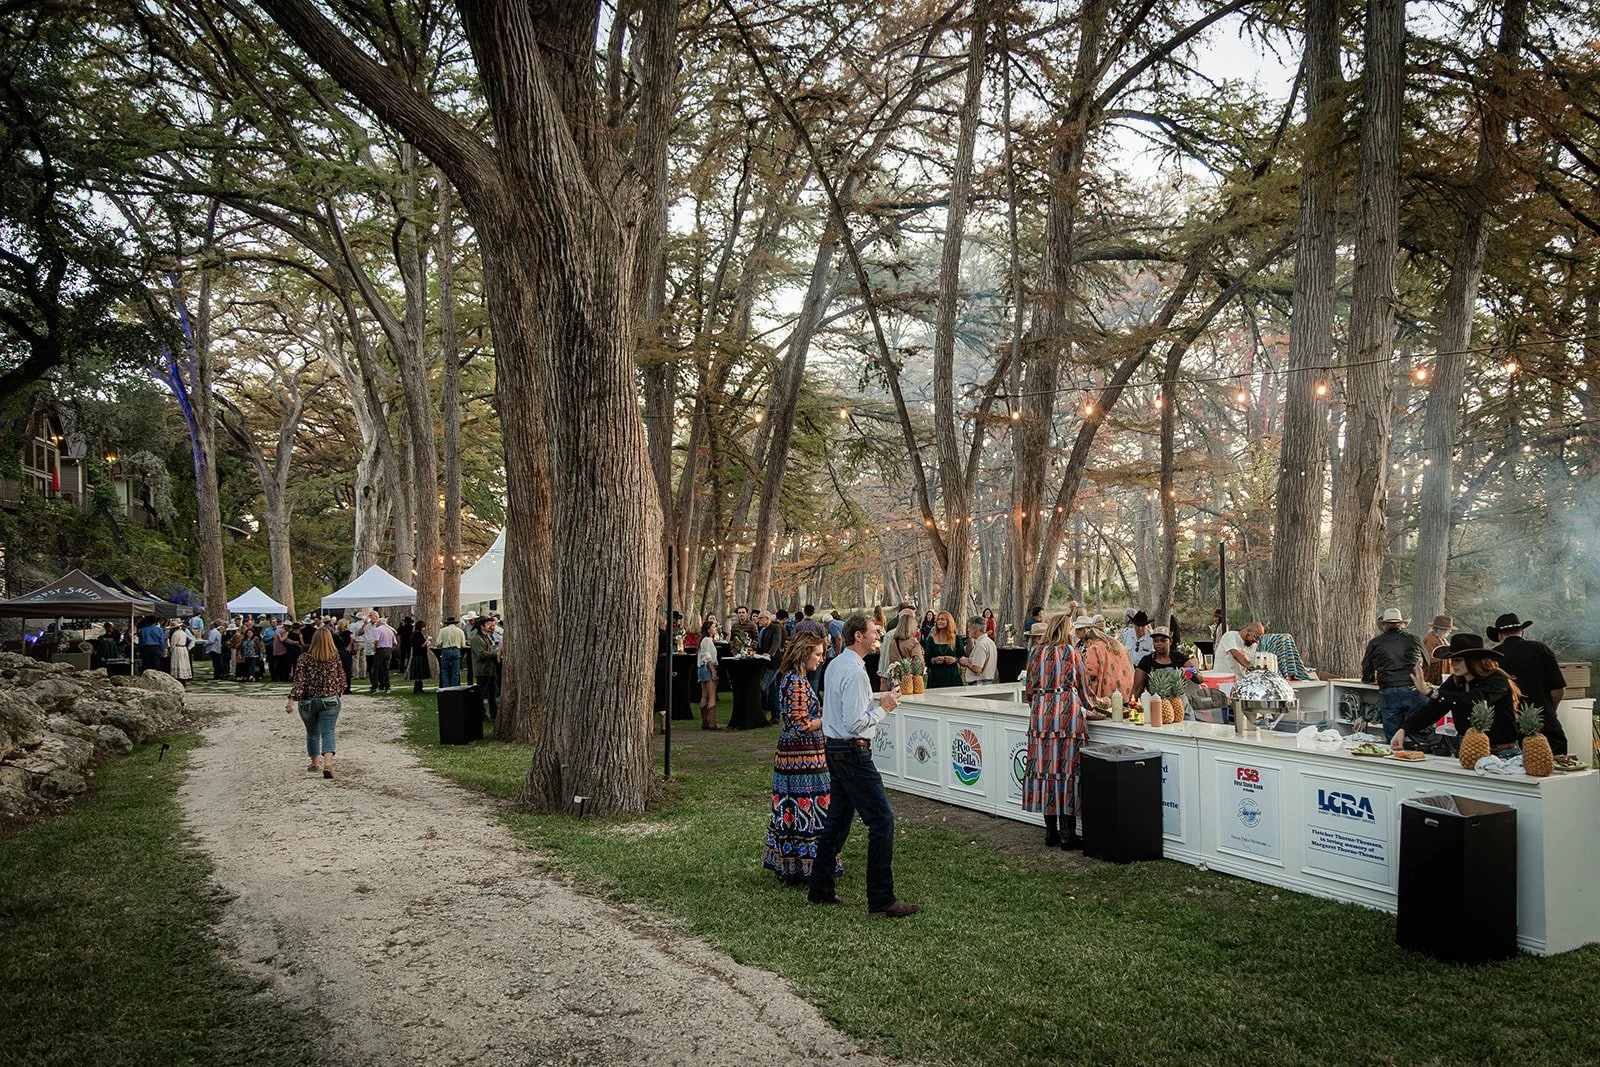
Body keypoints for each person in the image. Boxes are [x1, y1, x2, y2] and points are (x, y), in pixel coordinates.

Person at [808, 614, 917, 918]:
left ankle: (820, 888)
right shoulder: (855, 672)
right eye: (872, 632)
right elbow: (856, 723)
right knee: (882, 822)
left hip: (836, 749)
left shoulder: (836, 664)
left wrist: (879, 701)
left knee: (838, 821)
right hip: (852, 752)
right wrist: (883, 709)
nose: (877, 634)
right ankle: (882, 899)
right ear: (858, 636)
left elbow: (845, 711)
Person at [763, 633, 844, 886]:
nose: (821, 660)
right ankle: (807, 867)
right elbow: (799, 725)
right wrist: (828, 718)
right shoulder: (795, 682)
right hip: (802, 757)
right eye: (818, 654)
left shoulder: (794, 679)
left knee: (798, 809)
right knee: (807, 808)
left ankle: (798, 865)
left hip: (798, 755)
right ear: (803, 653)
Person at [1023, 613, 1091, 850]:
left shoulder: (1036, 653)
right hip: (1066, 716)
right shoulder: (1071, 652)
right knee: (1068, 771)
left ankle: (1050, 832)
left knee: (1043, 770)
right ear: (1066, 630)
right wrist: (1091, 706)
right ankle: (1067, 835)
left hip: (1041, 715)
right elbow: (1083, 687)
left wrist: (1041, 705)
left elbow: (1029, 690)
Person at [1391, 634, 1520, 754]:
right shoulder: (1456, 681)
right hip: (1469, 748)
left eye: (1458, 660)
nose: (1453, 664)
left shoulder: (1497, 680)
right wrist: (1404, 730)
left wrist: (1432, 692)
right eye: (1452, 660)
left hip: (1502, 751)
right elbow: (1432, 710)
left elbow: (1475, 700)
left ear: (1472, 660)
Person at [1487, 612, 1569, 756]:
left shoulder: (1493, 656)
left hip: (1509, 732)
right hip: (1546, 726)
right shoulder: (1540, 648)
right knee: (1558, 770)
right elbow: (1558, 690)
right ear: (1522, 631)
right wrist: (1550, 710)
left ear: (1500, 635)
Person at [286, 628, 347, 779]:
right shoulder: (334, 658)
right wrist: (338, 690)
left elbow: (299, 681)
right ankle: (328, 763)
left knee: (312, 732)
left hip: (308, 701)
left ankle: (314, 763)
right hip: (330, 699)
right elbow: (342, 678)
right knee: (328, 732)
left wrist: (292, 699)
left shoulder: (304, 658)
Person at [1361, 608, 1425, 740]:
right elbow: (1428, 661)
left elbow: (1367, 668)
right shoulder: (1414, 639)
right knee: (1420, 728)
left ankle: (1394, 754)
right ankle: (1418, 752)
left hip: (1388, 688)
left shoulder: (1375, 643)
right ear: (1401, 624)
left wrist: (1369, 678)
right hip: (1411, 687)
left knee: (1392, 734)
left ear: (1384, 625)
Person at [1074, 617, 1134, 702]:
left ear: (1088, 640)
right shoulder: (1114, 643)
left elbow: (1090, 673)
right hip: (1126, 688)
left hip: (1107, 693)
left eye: (1079, 629)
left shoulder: (1093, 648)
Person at [1132, 626, 1189, 697]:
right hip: (1155, 702)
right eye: (1155, 641)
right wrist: (1131, 705)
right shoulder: (1146, 661)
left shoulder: (1178, 657)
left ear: (1170, 641)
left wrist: (1189, 671)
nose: (1159, 644)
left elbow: (1199, 679)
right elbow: (1137, 688)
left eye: (1163, 640)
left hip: (1179, 702)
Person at [470, 617, 501, 720]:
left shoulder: (486, 637)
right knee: (481, 694)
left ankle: (494, 714)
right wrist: (495, 653)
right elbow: (480, 654)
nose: (490, 626)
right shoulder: (476, 639)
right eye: (487, 624)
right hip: (482, 671)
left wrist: (495, 649)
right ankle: (481, 715)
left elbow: (489, 649)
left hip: (490, 670)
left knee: (493, 694)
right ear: (481, 626)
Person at [696, 619, 720, 730]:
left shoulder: (707, 640)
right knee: (711, 696)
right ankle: (711, 722)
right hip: (707, 668)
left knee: (705, 695)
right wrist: (713, 671)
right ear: (708, 629)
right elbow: (707, 657)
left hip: (703, 668)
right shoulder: (706, 641)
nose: (715, 629)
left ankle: (705, 721)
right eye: (713, 627)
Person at [960, 616, 997, 685]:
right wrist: (970, 660)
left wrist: (966, 663)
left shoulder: (981, 644)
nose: (968, 630)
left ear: (975, 628)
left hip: (979, 684)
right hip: (986, 682)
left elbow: (977, 669)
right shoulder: (989, 642)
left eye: (969, 627)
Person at [1421, 614, 1454, 686]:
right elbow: (1429, 658)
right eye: (1448, 630)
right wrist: (1443, 655)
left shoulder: (1441, 638)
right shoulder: (1431, 639)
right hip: (1432, 676)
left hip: (1441, 675)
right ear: (1441, 630)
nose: (1449, 631)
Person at [436, 616, 467, 689]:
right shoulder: (460, 631)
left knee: (444, 671)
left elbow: (438, 643)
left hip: (446, 651)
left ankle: (446, 688)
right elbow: (463, 644)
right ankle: (454, 688)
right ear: (455, 623)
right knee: (455, 671)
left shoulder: (443, 630)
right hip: (456, 650)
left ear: (447, 623)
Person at [370, 615, 397, 693]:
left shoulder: (377, 630)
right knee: (386, 668)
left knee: (376, 668)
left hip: (381, 649)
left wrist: (375, 649)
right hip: (388, 648)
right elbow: (395, 643)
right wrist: (391, 649)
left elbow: (376, 640)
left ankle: (375, 686)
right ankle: (387, 686)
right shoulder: (390, 630)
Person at [409, 619, 432, 694]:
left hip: (419, 654)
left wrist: (427, 643)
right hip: (419, 655)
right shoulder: (417, 634)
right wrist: (427, 640)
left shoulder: (417, 634)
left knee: (419, 673)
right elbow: (420, 645)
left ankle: (420, 688)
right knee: (418, 672)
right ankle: (417, 689)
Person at [332, 625, 355, 693]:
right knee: (347, 670)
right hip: (346, 651)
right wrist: (350, 645)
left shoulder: (336, 634)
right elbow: (353, 638)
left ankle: (339, 687)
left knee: (339, 670)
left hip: (338, 651)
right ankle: (347, 688)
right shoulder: (348, 632)